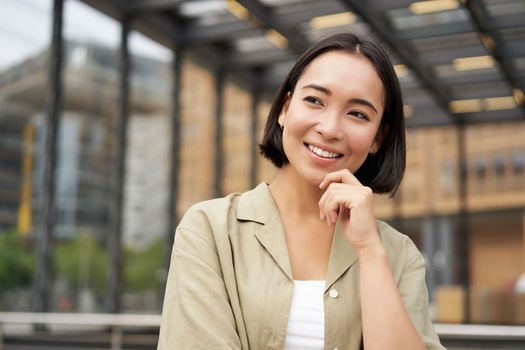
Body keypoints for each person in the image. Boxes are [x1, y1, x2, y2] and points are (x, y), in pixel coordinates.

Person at [157, 33, 445, 350]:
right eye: (314, 101)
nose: (330, 128)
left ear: (378, 138)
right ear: (284, 109)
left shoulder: (399, 255)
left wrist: (370, 252)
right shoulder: (210, 230)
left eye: (358, 114)